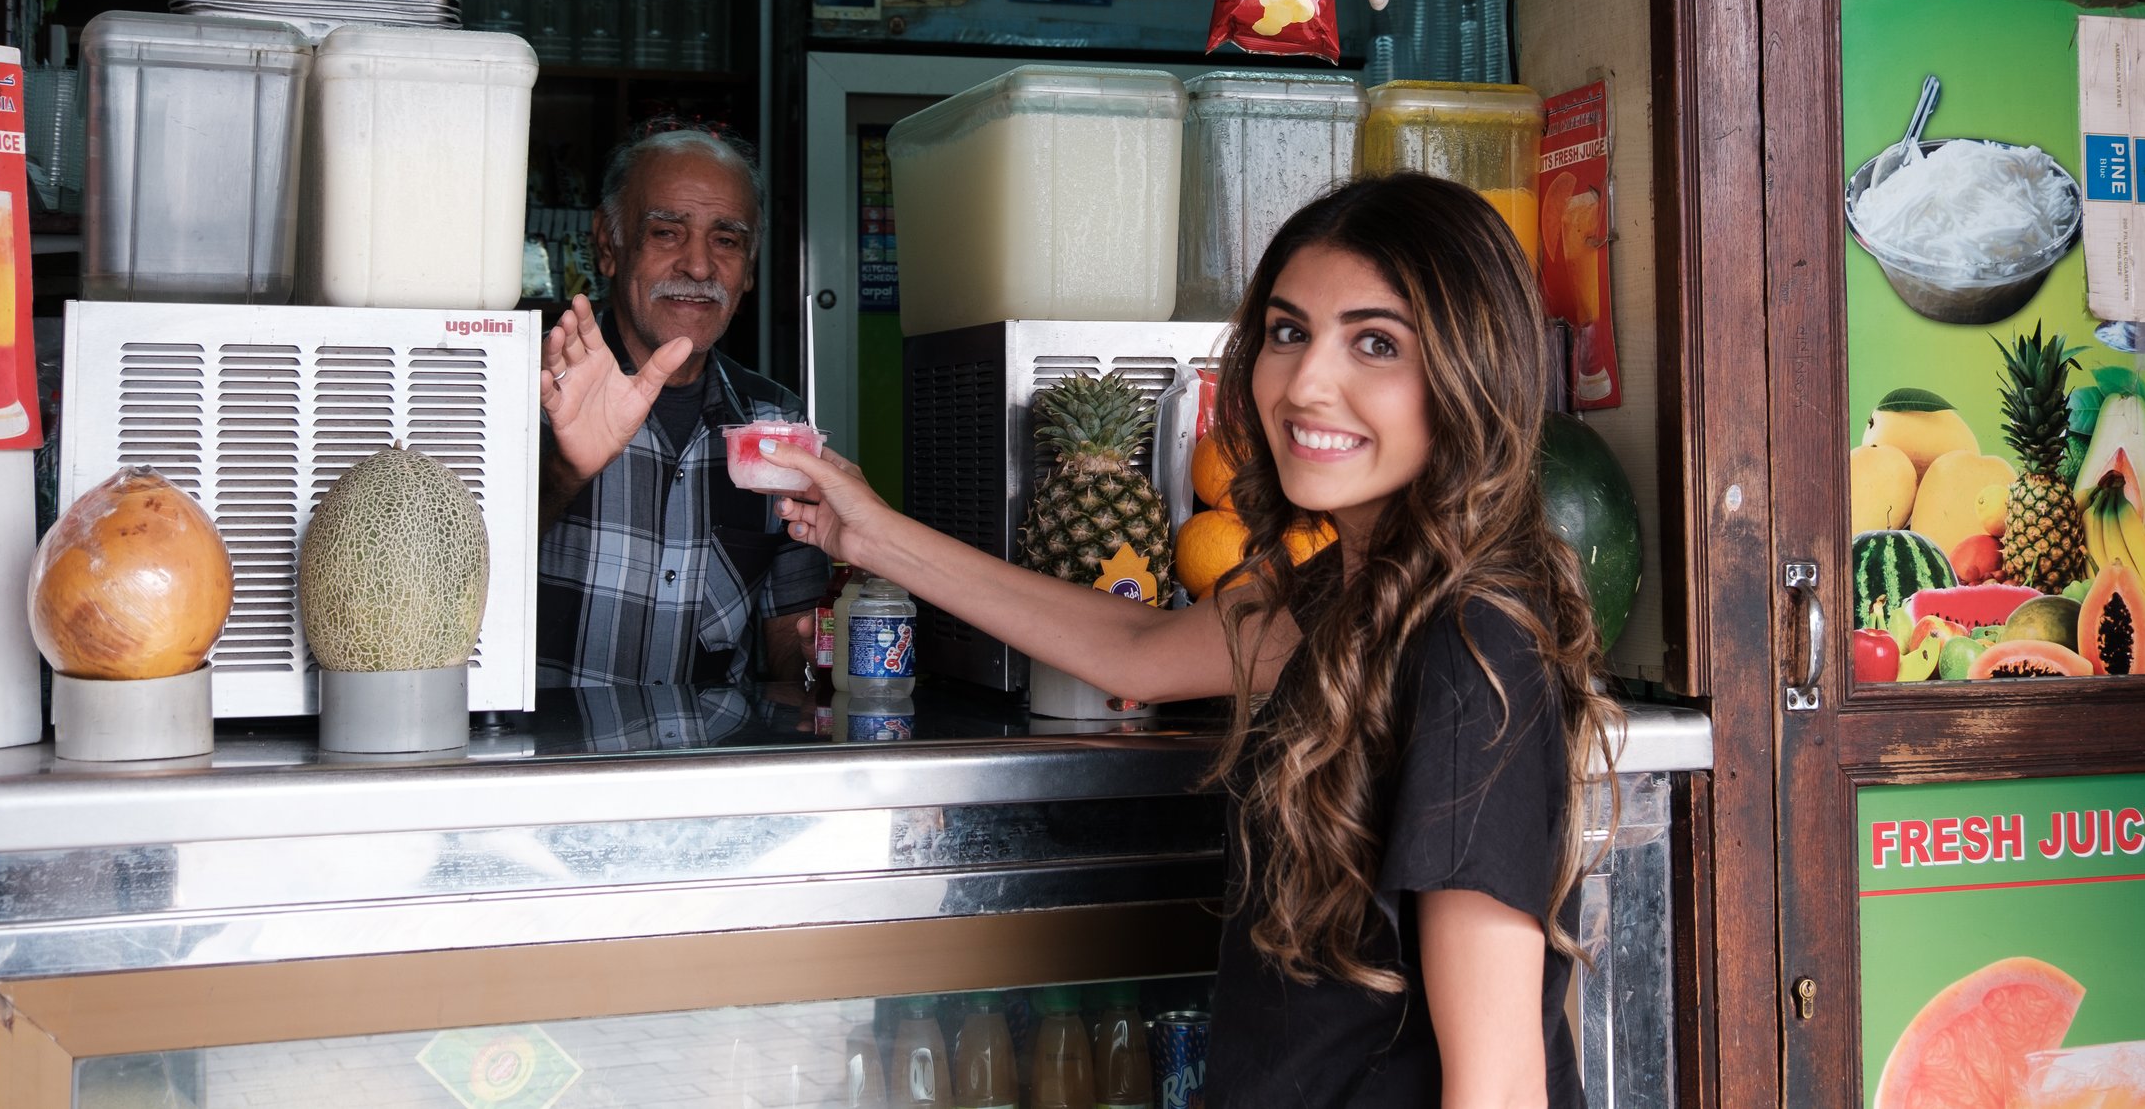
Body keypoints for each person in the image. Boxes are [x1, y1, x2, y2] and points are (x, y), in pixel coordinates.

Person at [773, 173, 1622, 1107]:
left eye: (1375, 343)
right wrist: (872, 532)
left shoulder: (1469, 651)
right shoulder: (1350, 584)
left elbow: (1498, 1087)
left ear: (1472, 373)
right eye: (1289, 331)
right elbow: (1137, 647)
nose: (1305, 383)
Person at [535, 123, 826, 695]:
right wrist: (562, 476)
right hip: (547, 767)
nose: (698, 267)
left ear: (748, 268)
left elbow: (794, 654)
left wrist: (836, 646)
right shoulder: (527, 387)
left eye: (726, 240)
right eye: (666, 233)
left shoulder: (776, 419)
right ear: (607, 245)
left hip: (707, 771)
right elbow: (430, 583)